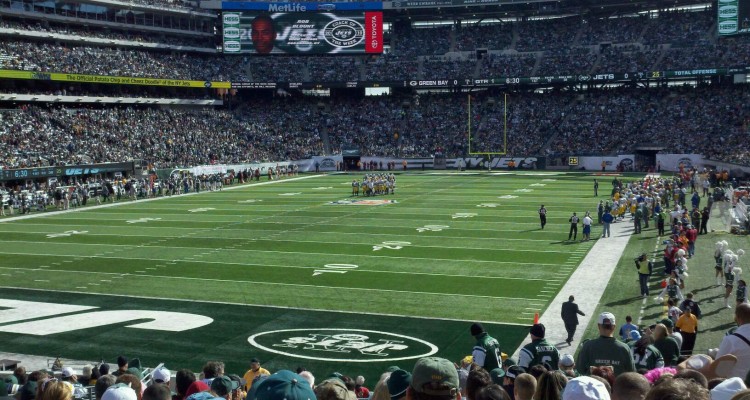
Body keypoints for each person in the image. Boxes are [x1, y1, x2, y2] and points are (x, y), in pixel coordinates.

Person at [576, 312, 635, 376]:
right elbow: (632, 371)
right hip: (616, 385)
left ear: (599, 326)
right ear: (614, 327)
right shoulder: (624, 348)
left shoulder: (588, 346)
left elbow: (580, 369)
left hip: (593, 384)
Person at [716, 303, 750, 378]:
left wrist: (714, 353)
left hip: (738, 385)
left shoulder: (730, 340)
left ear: (738, 318)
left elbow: (718, 368)